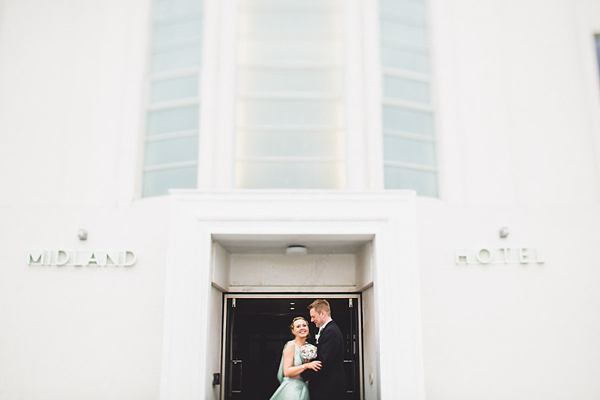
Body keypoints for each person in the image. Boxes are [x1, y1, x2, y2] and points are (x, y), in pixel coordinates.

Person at [301, 299, 347, 400]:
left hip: (330, 388)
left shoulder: (331, 332)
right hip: (326, 387)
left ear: (322, 313)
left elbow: (323, 362)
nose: (312, 320)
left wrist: (301, 375)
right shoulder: (327, 330)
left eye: (313, 317)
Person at [269, 316, 322, 400]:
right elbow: (286, 372)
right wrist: (306, 366)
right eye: (298, 326)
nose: (302, 328)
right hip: (292, 389)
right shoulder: (290, 345)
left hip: (304, 388)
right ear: (293, 331)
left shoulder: (310, 347)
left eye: (304, 325)